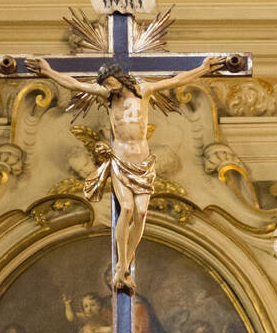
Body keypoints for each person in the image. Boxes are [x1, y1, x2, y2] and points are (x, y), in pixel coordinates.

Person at [24, 55, 226, 292]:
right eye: (104, 85)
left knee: (141, 212)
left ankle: (124, 266)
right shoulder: (106, 97)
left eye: (109, 82)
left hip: (142, 160)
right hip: (120, 159)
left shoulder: (144, 90)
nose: (107, 88)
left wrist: (202, 69)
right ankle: (121, 264)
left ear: (118, 77)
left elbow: (176, 80)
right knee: (127, 209)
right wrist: (48, 71)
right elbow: (74, 84)